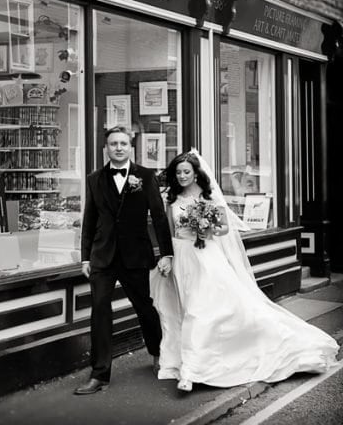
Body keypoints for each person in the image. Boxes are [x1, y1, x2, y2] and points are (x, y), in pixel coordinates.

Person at [151, 150, 339, 392]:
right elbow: (168, 234)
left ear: (196, 174)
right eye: (178, 173)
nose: (182, 176)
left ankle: (191, 372)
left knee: (200, 311)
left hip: (207, 260)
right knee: (188, 309)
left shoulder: (209, 198)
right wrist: (168, 257)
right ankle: (200, 361)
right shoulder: (173, 202)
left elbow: (223, 229)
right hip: (183, 262)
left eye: (186, 171)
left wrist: (202, 227)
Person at [74, 126, 174, 395]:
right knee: (100, 313)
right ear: (106, 148)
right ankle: (99, 375)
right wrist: (85, 257)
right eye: (113, 144)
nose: (118, 148)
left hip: (135, 256)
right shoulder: (95, 178)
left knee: (145, 308)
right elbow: (90, 220)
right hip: (102, 257)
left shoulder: (145, 175)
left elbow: (159, 216)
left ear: (131, 147)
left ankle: (157, 353)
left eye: (123, 143)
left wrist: (167, 252)